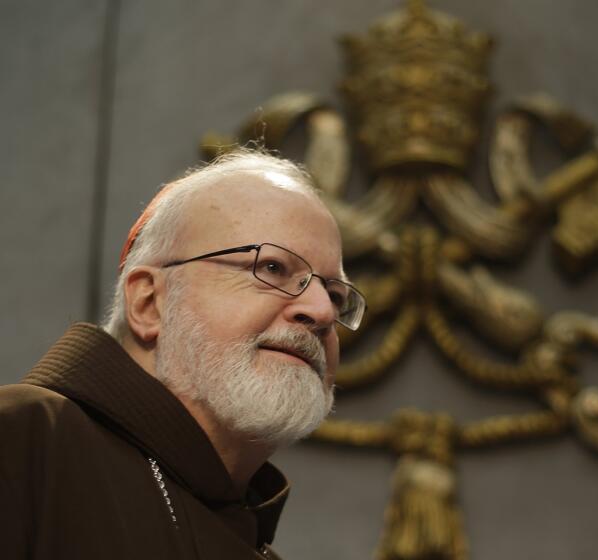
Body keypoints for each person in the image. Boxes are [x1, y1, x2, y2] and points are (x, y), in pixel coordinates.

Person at [0, 150, 365, 559]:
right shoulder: (22, 442)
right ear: (149, 303)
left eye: (334, 293)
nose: (321, 311)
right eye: (273, 269)